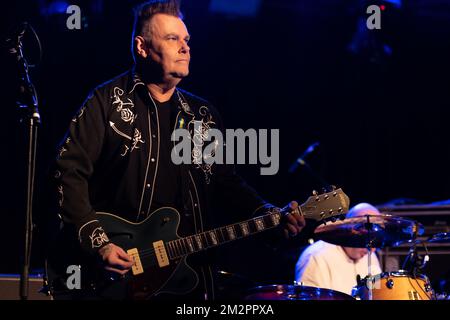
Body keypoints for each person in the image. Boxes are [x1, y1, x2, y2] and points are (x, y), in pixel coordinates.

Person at [50, 0, 305, 300]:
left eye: (186, 40)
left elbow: (225, 183)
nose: (185, 47)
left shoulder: (201, 116)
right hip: (111, 277)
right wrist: (100, 244)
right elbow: (68, 172)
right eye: (172, 39)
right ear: (142, 47)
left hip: (185, 280)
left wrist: (269, 214)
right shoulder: (106, 102)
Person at [294, 203, 382, 296]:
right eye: (367, 237)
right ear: (349, 229)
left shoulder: (371, 257)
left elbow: (377, 295)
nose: (372, 250)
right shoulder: (316, 256)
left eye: (375, 240)